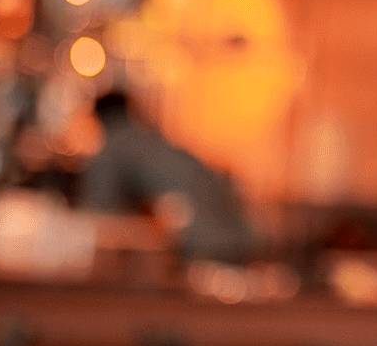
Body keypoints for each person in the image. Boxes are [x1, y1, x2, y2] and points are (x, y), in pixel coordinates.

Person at [79, 89, 257, 264]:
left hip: (202, 243)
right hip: (239, 234)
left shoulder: (113, 148)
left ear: (98, 118)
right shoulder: (149, 137)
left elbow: (98, 211)